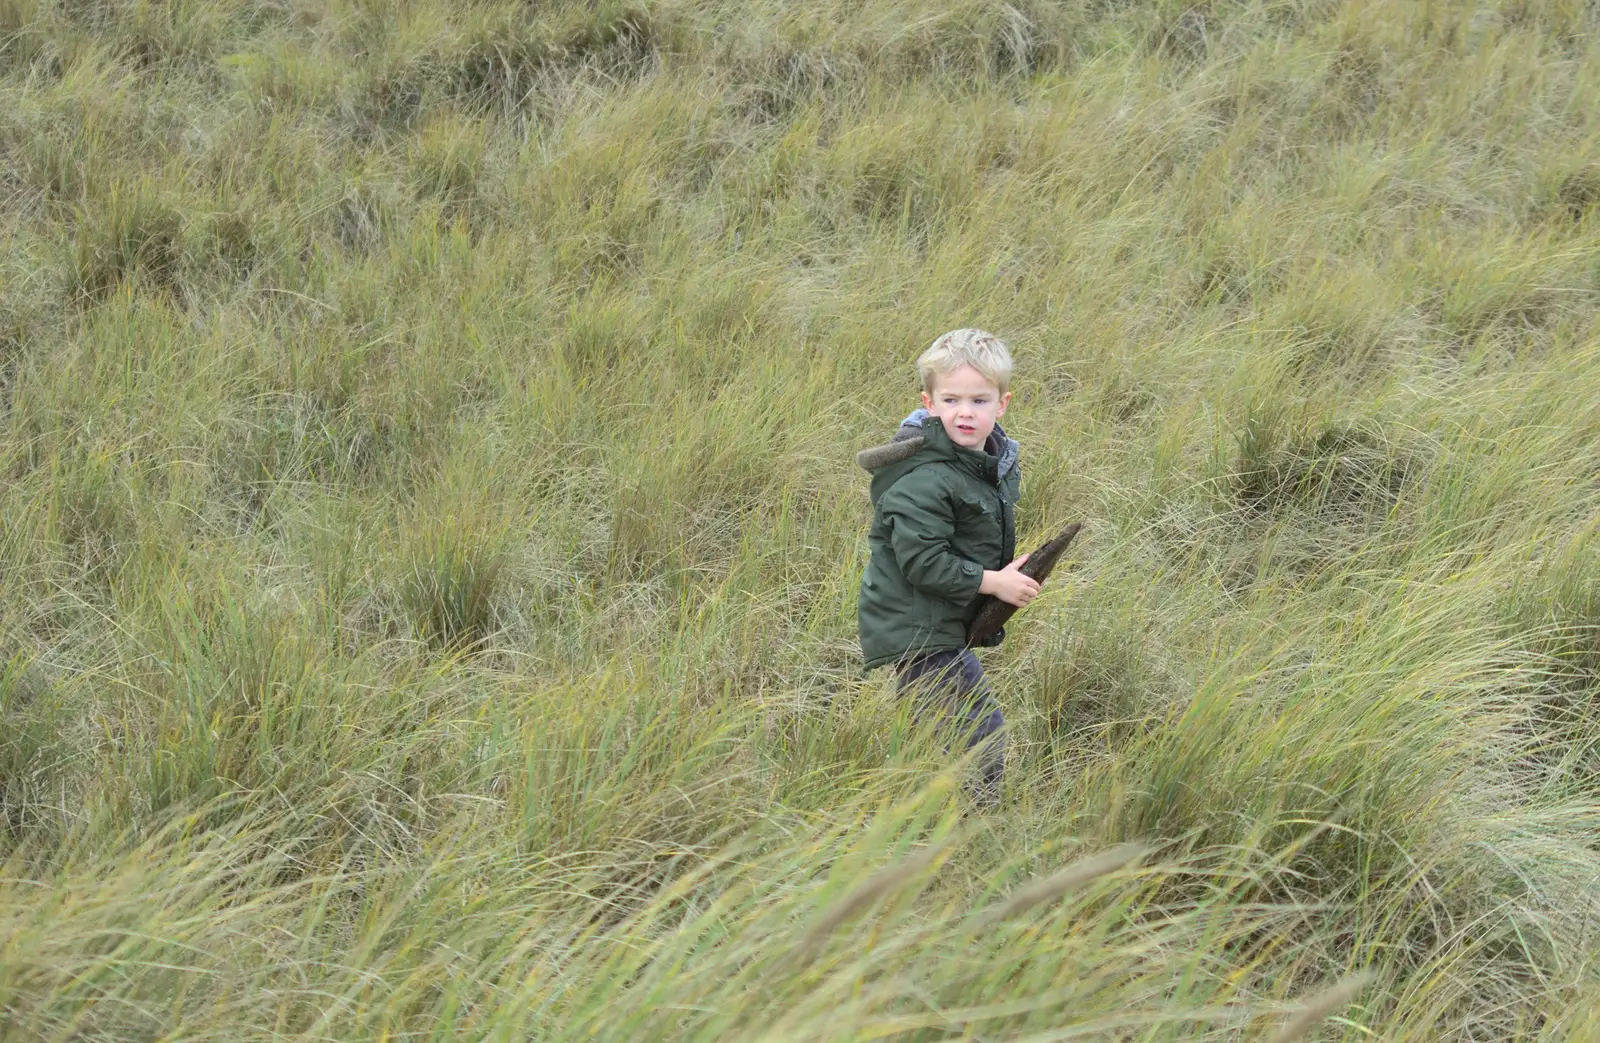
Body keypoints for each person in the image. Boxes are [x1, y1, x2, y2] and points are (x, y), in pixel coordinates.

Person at [856, 328, 1039, 808]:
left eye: (979, 400)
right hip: (917, 628)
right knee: (983, 732)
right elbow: (923, 562)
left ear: (1002, 403)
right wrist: (994, 582)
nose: (965, 412)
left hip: (937, 620)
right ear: (929, 402)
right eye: (951, 399)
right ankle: (977, 822)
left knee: (929, 730)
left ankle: (914, 803)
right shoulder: (926, 477)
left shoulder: (980, 462)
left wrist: (1001, 572)